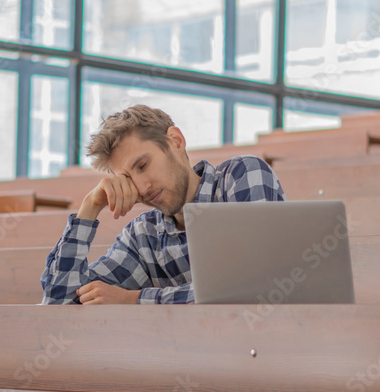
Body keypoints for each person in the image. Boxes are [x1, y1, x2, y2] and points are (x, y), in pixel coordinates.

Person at [40, 105, 286, 305]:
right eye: (128, 179)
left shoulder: (242, 175)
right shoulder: (143, 236)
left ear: (176, 141)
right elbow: (59, 305)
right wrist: (89, 207)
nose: (143, 188)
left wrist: (133, 299)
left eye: (143, 165)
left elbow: (253, 283)